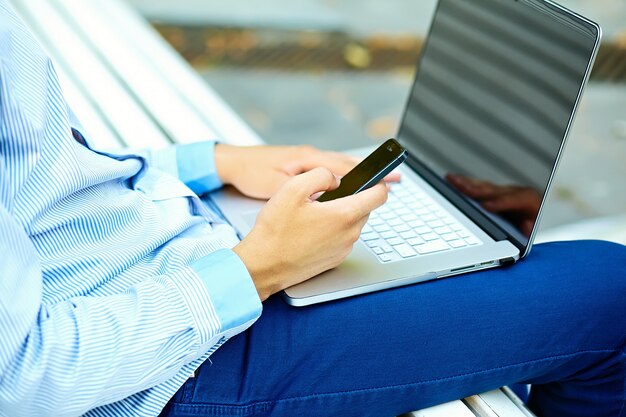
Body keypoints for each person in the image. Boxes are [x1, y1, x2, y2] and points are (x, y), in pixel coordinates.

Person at [0, 2, 625, 417]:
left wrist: (213, 162)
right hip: (161, 368)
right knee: (611, 291)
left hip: (164, 255)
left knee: (486, 248)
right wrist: (260, 269)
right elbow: (23, 379)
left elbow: (37, 169)